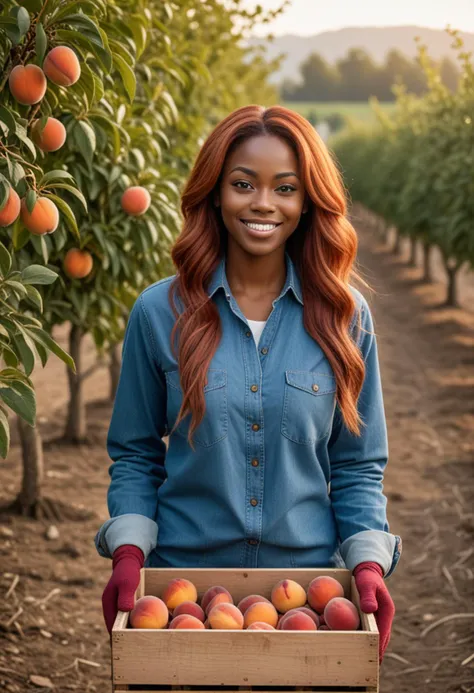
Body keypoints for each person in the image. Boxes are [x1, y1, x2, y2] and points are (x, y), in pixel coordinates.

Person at [95, 104, 402, 663]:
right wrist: (129, 553)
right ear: (215, 192)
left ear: (308, 201)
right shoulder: (159, 313)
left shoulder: (344, 316)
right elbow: (137, 453)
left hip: (308, 600)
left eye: (285, 188)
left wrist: (366, 565)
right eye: (243, 184)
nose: (263, 203)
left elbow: (358, 463)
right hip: (183, 596)